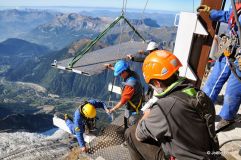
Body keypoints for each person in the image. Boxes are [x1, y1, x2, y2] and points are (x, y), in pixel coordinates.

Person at [125, 50, 220, 160]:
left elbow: (139, 135)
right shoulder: (197, 93)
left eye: (151, 84)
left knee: (130, 133)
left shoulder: (164, 108)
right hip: (209, 153)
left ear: (157, 83)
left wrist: (147, 114)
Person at [197, 3, 241, 130]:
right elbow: (229, 15)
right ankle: (203, 106)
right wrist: (211, 12)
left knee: (233, 89)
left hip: (239, 55)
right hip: (229, 46)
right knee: (213, 79)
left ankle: (227, 117)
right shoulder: (237, 5)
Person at [105, 60, 143, 129]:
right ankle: (126, 129)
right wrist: (111, 67)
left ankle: (129, 134)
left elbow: (122, 102)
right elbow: (121, 70)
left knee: (132, 127)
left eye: (120, 74)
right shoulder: (133, 74)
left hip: (134, 112)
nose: (120, 75)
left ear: (124, 71)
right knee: (126, 117)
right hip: (134, 105)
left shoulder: (130, 86)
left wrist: (112, 110)